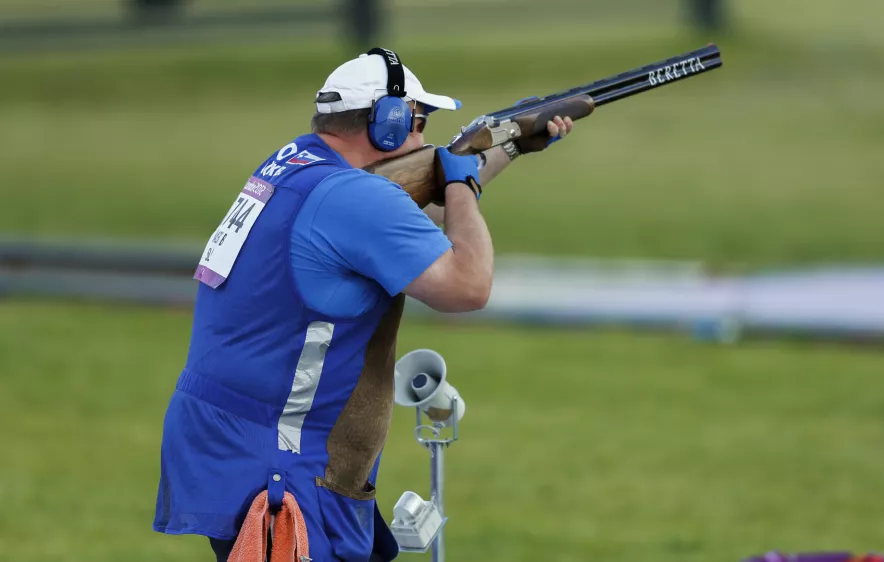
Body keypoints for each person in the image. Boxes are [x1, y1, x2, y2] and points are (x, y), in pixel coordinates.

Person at [152, 47, 573, 562]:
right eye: (419, 124)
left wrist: (509, 146)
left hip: (236, 441)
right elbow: (468, 286)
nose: (425, 141)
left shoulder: (295, 163)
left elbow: (395, 222)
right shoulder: (352, 197)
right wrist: (462, 182)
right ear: (387, 125)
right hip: (284, 464)